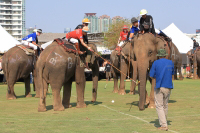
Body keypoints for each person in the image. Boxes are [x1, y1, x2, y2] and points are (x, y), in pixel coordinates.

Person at [150, 49, 174, 131]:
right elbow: (172, 73)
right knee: (165, 105)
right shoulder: (170, 63)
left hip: (159, 86)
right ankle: (164, 122)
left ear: (159, 55)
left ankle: (163, 125)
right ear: (165, 55)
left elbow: (151, 75)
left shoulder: (156, 63)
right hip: (168, 86)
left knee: (159, 106)